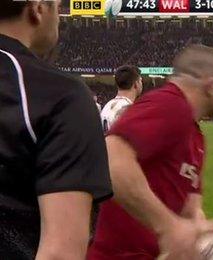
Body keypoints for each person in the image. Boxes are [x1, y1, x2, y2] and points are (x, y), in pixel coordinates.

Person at [88, 45, 213, 259]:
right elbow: (113, 160)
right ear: (211, 86)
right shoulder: (170, 104)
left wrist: (203, 232)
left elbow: (191, 209)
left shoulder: (195, 136)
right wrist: (168, 227)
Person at [1, 0, 112, 258]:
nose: (60, 16)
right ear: (38, 8)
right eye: (59, 6)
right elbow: (60, 252)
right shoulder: (58, 95)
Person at [101, 65, 143, 132]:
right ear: (136, 84)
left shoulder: (107, 106)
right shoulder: (128, 110)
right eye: (140, 80)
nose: (141, 83)